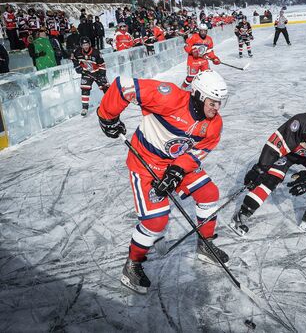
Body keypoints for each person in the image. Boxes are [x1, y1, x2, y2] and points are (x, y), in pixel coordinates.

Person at [96, 70, 229, 294]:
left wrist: (178, 169)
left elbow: (200, 150)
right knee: (156, 221)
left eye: (219, 103)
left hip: (176, 163)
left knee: (209, 194)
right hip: (146, 163)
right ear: (197, 95)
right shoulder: (168, 97)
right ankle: (132, 265)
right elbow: (124, 85)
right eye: (213, 102)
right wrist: (107, 117)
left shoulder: (213, 124)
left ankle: (204, 244)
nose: (217, 108)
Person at [231, 100, 306, 237]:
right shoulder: (301, 122)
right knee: (271, 177)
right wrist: (260, 169)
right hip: (289, 154)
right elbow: (274, 147)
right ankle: (243, 213)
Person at [71, 37, 108, 116]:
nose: (86, 46)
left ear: (90, 44)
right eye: (84, 45)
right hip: (86, 73)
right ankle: (85, 108)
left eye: (87, 44)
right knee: (85, 89)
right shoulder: (77, 52)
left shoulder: (96, 52)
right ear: (81, 45)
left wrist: (102, 75)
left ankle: (112, 102)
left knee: (105, 87)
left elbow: (102, 64)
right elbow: (73, 59)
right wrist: (77, 66)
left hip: (97, 72)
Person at [182, 23, 221, 88]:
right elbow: (186, 46)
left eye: (205, 31)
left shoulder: (209, 39)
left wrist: (214, 58)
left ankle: (205, 89)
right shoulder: (193, 37)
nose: (203, 32)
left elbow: (210, 51)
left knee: (207, 75)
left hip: (203, 60)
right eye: (201, 31)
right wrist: (192, 51)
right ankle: (183, 87)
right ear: (199, 30)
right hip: (193, 61)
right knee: (190, 77)